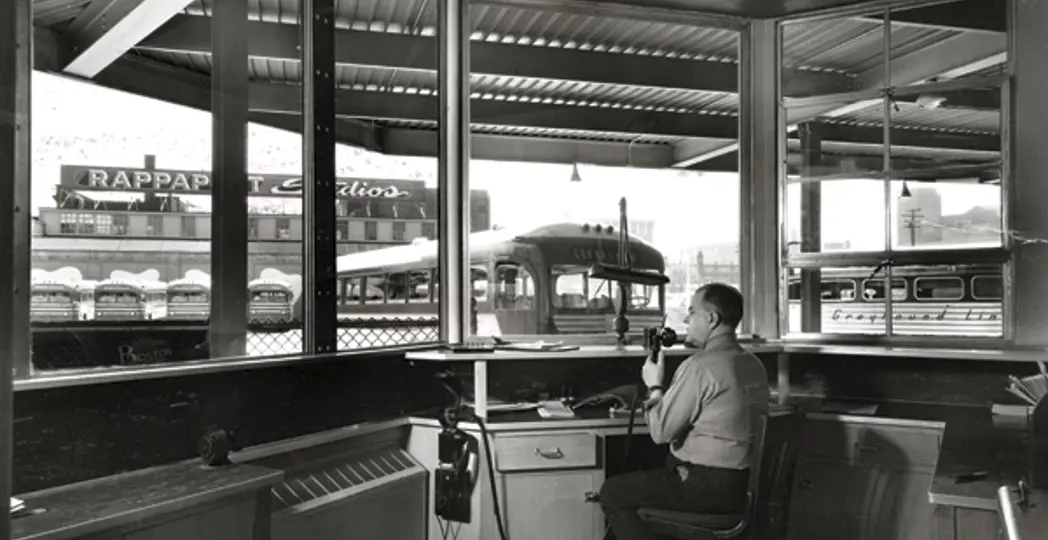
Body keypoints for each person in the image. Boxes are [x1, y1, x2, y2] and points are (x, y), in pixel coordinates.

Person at [599, 282, 770, 540]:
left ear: (711, 319)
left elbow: (659, 433)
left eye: (692, 312)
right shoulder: (753, 363)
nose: (687, 320)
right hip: (742, 485)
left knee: (613, 492)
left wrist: (655, 385)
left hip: (707, 486)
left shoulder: (700, 367)